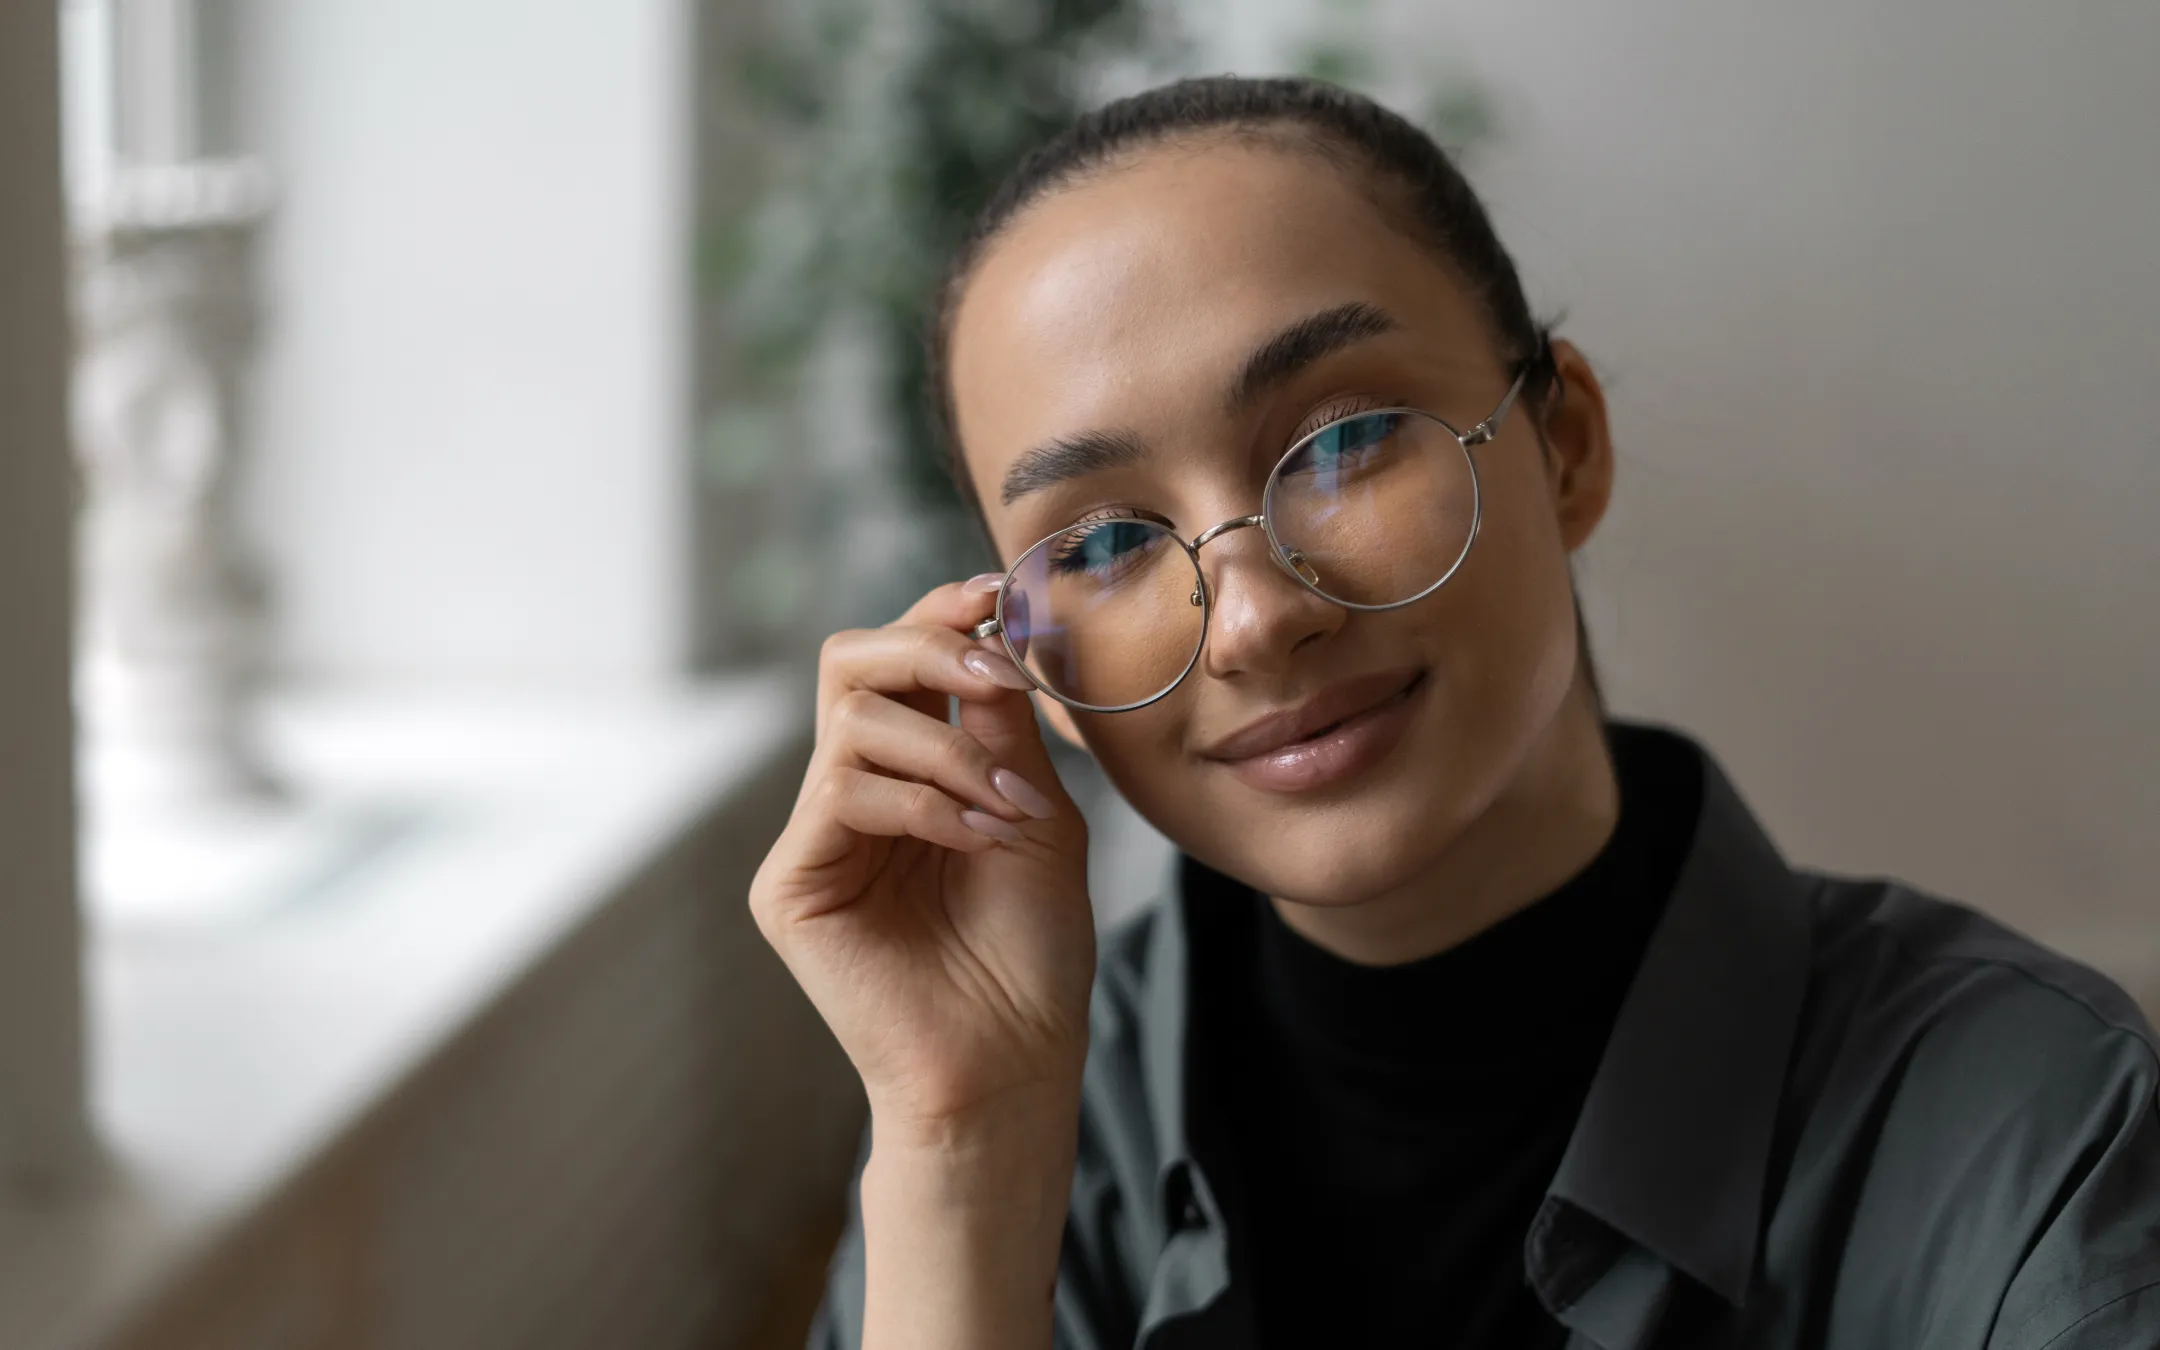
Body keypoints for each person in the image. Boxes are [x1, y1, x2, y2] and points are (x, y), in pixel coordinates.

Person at [750, 76, 2160, 1350]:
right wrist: (957, 1144)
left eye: (1346, 441)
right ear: (1029, 665)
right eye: (1105, 543)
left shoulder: (2037, 1129)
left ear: (1566, 447)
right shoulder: (1002, 1115)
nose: (1252, 617)